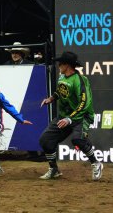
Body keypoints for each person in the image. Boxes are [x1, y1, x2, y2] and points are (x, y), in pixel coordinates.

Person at [39, 51, 103, 180]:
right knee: (45, 140)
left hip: (82, 116)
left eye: (60, 64)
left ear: (66, 65)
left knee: (77, 139)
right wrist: (51, 98)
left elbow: (84, 102)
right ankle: (54, 170)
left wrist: (70, 119)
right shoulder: (62, 77)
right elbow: (60, 91)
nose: (58, 66)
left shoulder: (80, 80)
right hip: (64, 116)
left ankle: (96, 163)